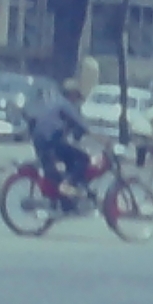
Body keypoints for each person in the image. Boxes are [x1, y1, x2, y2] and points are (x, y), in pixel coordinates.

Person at [24, 76, 94, 206]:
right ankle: (67, 184)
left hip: (39, 139)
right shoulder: (65, 105)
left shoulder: (51, 102)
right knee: (83, 159)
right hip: (51, 141)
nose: (77, 100)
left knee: (62, 165)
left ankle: (66, 202)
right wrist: (102, 139)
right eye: (76, 96)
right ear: (72, 94)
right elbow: (82, 125)